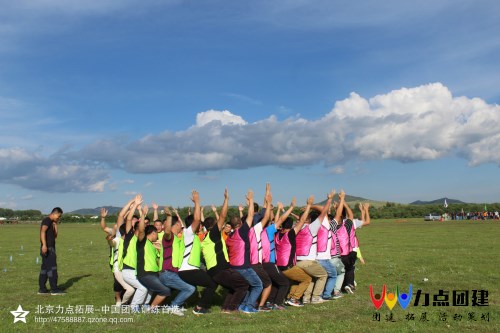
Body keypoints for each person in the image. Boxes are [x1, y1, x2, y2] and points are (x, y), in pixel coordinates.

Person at [201, 188, 250, 314]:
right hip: (220, 269)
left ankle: (225, 307)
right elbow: (223, 216)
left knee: (233, 287)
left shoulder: (206, 238)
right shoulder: (213, 234)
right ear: (213, 225)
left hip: (214, 271)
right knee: (243, 285)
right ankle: (231, 308)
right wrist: (226, 199)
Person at [225, 190, 264, 313]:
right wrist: (251, 200)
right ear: (241, 223)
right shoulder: (242, 232)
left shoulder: (229, 237)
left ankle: (242, 305)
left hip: (233, 267)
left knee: (247, 286)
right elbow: (251, 215)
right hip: (243, 267)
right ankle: (249, 306)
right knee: (258, 285)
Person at [275, 196, 314, 307]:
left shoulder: (277, 234)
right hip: (288, 266)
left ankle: (289, 298)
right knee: (307, 279)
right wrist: (309, 205)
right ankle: (295, 298)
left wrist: (279, 210)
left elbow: (277, 221)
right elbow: (302, 220)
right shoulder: (290, 234)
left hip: (278, 266)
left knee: (296, 280)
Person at [38, 207, 65, 295]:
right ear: (54, 213)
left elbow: (55, 236)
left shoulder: (52, 222)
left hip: (49, 247)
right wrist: (44, 245)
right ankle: (54, 289)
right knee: (52, 268)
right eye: (59, 216)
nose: (59, 218)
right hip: (48, 248)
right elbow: (43, 232)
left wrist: (55, 224)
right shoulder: (47, 220)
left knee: (45, 269)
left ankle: (42, 289)